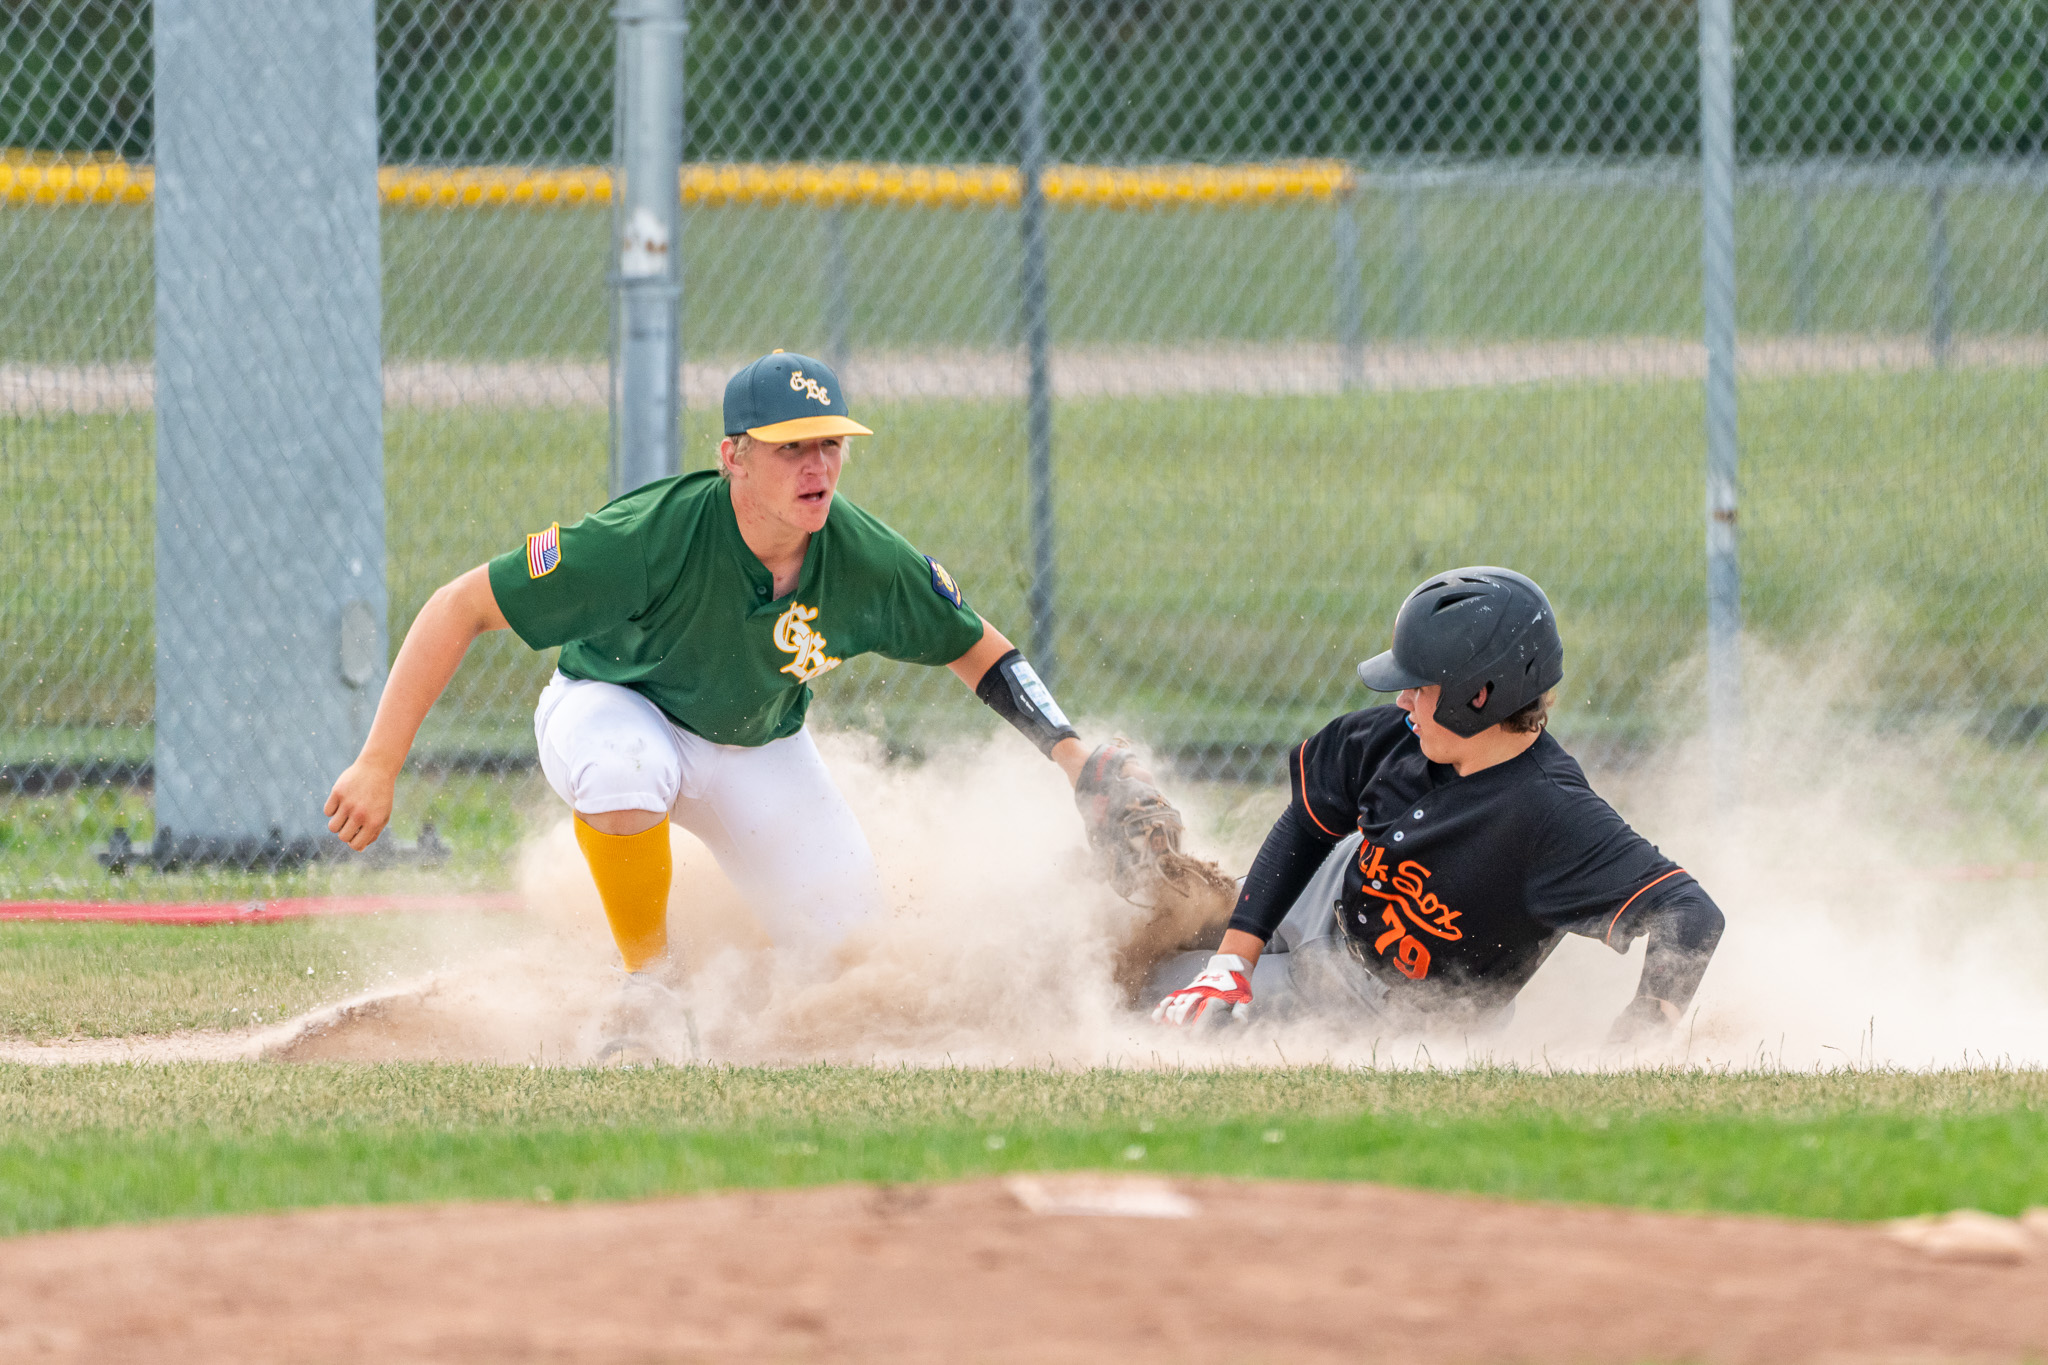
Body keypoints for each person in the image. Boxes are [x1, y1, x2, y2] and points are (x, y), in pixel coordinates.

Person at [325, 351, 1187, 1058]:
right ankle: (649, 985)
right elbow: (459, 606)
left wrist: (1076, 760)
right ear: (733, 454)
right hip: (615, 706)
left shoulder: (861, 556)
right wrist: (378, 761)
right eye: (790, 448)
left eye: (830, 445)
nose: (817, 467)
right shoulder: (646, 539)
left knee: (846, 947)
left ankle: (726, 997)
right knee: (623, 766)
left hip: (755, 748)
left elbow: (979, 648)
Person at [1151, 567, 1724, 1044]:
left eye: (1420, 685)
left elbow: (1690, 913)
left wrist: (1646, 1028)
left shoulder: (1550, 816)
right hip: (1327, 894)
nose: (1402, 699)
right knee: (1166, 930)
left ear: (1478, 697)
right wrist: (1231, 962)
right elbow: (1308, 825)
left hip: (1379, 1005)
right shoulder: (1396, 737)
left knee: (1157, 1002)